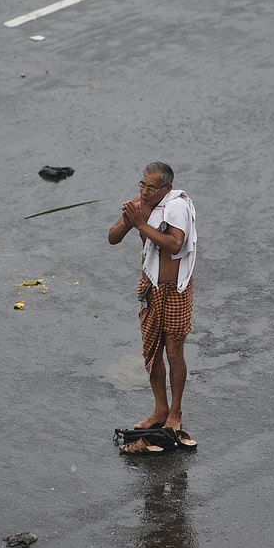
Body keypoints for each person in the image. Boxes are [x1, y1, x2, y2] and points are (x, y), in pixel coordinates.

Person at [108, 162, 197, 432]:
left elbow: (174, 244)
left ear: (166, 189)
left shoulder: (177, 206)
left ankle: (176, 411)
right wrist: (128, 221)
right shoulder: (139, 206)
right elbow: (112, 238)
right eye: (142, 185)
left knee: (174, 351)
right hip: (151, 286)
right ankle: (160, 409)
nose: (145, 191)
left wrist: (140, 225)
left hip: (175, 289)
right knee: (152, 352)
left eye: (152, 187)